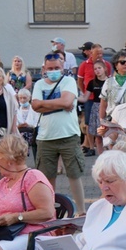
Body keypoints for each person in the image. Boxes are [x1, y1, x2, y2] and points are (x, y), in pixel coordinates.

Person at [31, 52, 86, 215]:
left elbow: (67, 101)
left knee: (74, 174)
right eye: (50, 68)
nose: (53, 70)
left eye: (57, 68)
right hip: (45, 138)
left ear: (62, 68)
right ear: (44, 68)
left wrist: (44, 103)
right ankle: (50, 211)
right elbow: (35, 106)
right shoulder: (39, 85)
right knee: (47, 178)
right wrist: (59, 104)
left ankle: (82, 212)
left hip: (68, 136)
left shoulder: (68, 81)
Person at [98, 51, 126, 127]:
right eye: (122, 62)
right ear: (116, 65)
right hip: (112, 120)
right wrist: (102, 121)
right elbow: (103, 104)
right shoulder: (108, 82)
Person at [84, 60, 109, 155]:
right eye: (95, 69)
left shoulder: (110, 81)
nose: (97, 70)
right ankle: (101, 156)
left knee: (107, 135)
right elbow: (85, 97)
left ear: (105, 69)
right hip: (96, 108)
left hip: (107, 108)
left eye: (99, 68)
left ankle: (109, 155)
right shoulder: (92, 83)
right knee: (98, 136)